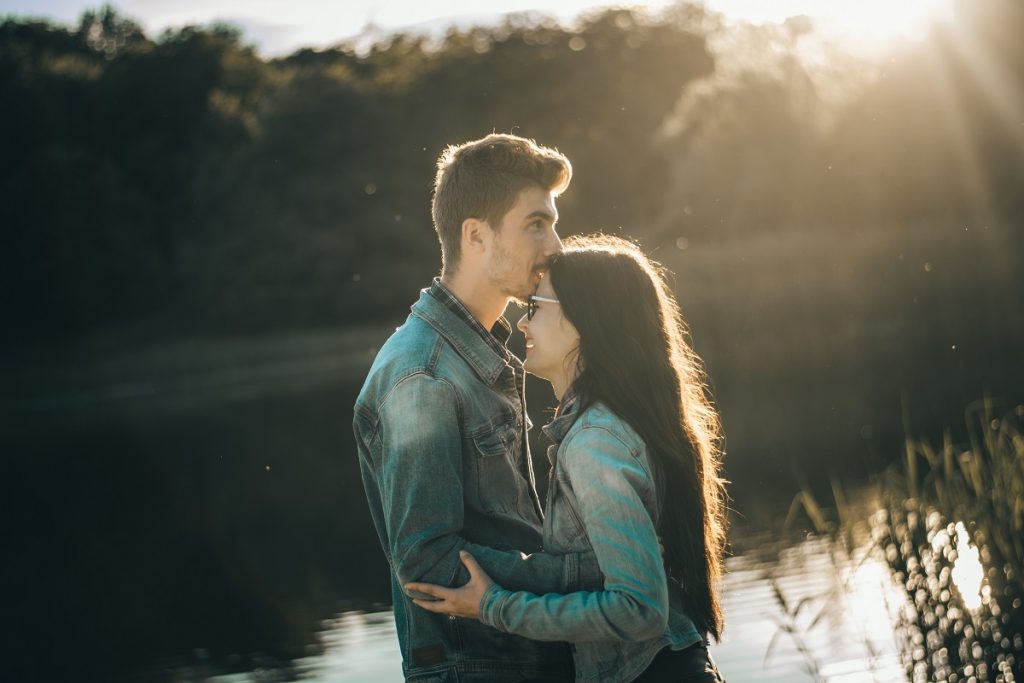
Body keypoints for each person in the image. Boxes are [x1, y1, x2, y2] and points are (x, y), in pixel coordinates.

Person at [406, 235, 729, 683]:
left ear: (583, 321)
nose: (522, 323)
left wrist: (495, 606)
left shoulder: (594, 443)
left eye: (535, 307)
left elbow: (640, 609)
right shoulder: (612, 425)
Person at [353, 134, 603, 683]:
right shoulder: (422, 376)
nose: (556, 245)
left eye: (553, 224)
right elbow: (427, 561)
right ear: (476, 236)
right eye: (536, 224)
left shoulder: (478, 352)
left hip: (526, 657)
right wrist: (577, 575)